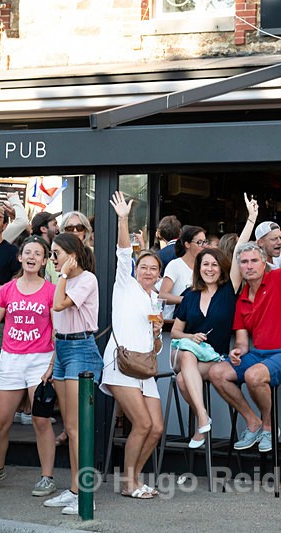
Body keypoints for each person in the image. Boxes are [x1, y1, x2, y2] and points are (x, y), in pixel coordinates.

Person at [208, 210, 281, 454]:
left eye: (254, 261)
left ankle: (268, 427)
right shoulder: (242, 299)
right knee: (217, 372)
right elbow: (243, 343)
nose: (249, 266)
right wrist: (236, 352)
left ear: (263, 262)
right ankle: (253, 422)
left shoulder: (278, 278)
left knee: (255, 375)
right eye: (244, 262)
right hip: (261, 355)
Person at [0, 236, 58, 498]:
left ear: (44, 261)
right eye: (27, 252)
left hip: (40, 360)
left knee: (41, 420)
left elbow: (57, 331)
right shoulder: (7, 289)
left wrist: (53, 363)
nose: (31, 257)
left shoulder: (52, 291)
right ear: (19, 257)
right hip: (10, 359)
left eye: (37, 253)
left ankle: (47, 476)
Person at [170, 194, 256, 448]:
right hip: (187, 355)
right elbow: (175, 332)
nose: (209, 268)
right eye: (204, 264)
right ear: (199, 268)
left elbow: (240, 249)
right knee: (186, 355)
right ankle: (203, 417)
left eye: (214, 265)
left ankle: (202, 422)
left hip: (215, 358)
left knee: (183, 380)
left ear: (221, 268)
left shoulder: (229, 290)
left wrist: (250, 219)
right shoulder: (189, 295)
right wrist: (190, 337)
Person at [100, 191, 164, 499]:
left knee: (156, 428)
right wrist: (123, 219)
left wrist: (157, 332)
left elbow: (157, 347)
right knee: (141, 423)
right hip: (121, 363)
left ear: (159, 274)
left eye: (154, 268)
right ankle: (128, 483)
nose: (148, 272)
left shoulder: (155, 299)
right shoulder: (124, 286)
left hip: (144, 366)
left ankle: (135, 478)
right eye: (144, 267)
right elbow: (124, 252)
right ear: (136, 270)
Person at [43, 233, 103, 515]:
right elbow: (58, 324)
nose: (52, 259)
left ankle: (86, 493)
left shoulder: (87, 279)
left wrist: (64, 275)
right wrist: (52, 361)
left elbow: (58, 304)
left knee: (79, 427)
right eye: (51, 254)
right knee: (70, 428)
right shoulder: (64, 280)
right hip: (64, 349)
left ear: (72, 255)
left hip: (82, 348)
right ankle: (75, 489)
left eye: (56, 254)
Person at [159, 225, 208, 319]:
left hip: (196, 321)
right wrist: (185, 300)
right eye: (199, 242)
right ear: (187, 244)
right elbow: (162, 295)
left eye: (205, 242)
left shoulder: (205, 267)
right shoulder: (175, 265)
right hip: (174, 322)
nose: (204, 246)